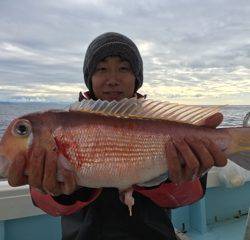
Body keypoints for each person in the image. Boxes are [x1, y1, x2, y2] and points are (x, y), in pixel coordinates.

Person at [7, 32, 227, 240]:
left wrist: (176, 175)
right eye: (101, 69)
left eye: (123, 68)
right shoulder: (61, 129)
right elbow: (47, 205)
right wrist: (64, 192)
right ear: (89, 78)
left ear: (136, 78)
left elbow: (188, 197)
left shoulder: (167, 128)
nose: (112, 79)